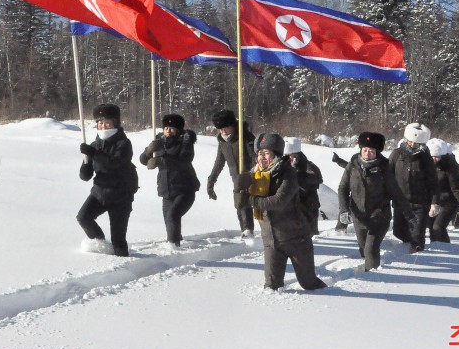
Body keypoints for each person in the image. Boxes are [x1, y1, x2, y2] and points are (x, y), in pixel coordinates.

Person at [236, 133, 326, 290]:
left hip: (296, 239)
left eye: (267, 153)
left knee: (308, 283)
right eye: (259, 154)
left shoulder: (288, 174)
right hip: (271, 241)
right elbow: (239, 204)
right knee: (271, 286)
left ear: (276, 155)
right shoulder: (254, 175)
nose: (262, 158)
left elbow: (278, 201)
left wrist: (250, 199)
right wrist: (238, 188)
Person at [337, 131, 416, 271]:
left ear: (377, 152)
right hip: (358, 216)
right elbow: (343, 188)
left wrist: (409, 215)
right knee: (363, 248)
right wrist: (344, 210)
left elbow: (396, 193)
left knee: (370, 250)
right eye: (365, 150)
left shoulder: (384, 168)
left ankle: (372, 277)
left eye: (371, 151)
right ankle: (369, 265)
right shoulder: (352, 165)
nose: (367, 154)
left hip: (379, 216)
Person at [77, 103, 139, 257]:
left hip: (120, 196)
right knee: (83, 217)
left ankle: (124, 268)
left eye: (107, 123)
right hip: (99, 193)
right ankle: (100, 245)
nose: (103, 126)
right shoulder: (95, 145)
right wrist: (86, 164)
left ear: (115, 123)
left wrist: (94, 154)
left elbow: (114, 164)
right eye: (99, 123)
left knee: (118, 239)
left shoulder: (124, 143)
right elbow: (86, 176)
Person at [140, 113, 200, 247]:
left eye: (172, 128)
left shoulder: (185, 142)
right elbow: (143, 160)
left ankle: (173, 247)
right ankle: (175, 240)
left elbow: (184, 160)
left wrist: (161, 160)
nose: (168, 130)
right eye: (166, 127)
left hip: (184, 190)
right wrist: (149, 150)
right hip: (166, 190)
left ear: (178, 130)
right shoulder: (159, 142)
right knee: (169, 219)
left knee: (172, 215)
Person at [207, 109, 257, 238]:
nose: (223, 132)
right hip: (236, 177)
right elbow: (219, 161)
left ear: (233, 126)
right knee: (239, 203)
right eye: (220, 129)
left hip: (251, 175)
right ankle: (245, 230)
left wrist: (252, 172)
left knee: (244, 200)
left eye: (226, 128)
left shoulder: (245, 137)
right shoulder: (222, 142)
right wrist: (211, 180)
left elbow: (255, 156)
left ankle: (248, 229)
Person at [389, 123, 436, 252]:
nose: (412, 145)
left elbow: (433, 180)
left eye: (416, 143)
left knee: (418, 236)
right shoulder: (396, 154)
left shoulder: (426, 158)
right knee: (398, 232)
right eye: (410, 142)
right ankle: (409, 242)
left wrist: (434, 202)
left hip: (420, 203)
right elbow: (388, 175)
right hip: (400, 202)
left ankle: (418, 255)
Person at [426, 138, 459, 243]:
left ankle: (447, 246)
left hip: (449, 201)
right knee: (433, 229)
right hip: (433, 201)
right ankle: (438, 247)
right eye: (431, 157)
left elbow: (456, 188)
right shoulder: (426, 167)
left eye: (436, 157)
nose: (434, 159)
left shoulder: (449, 167)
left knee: (438, 226)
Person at [284, 137, 323, 236]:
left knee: (307, 235)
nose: (288, 159)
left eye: (290, 156)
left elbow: (317, 178)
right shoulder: (284, 166)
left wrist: (298, 175)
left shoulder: (307, 166)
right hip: (290, 208)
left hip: (308, 206)